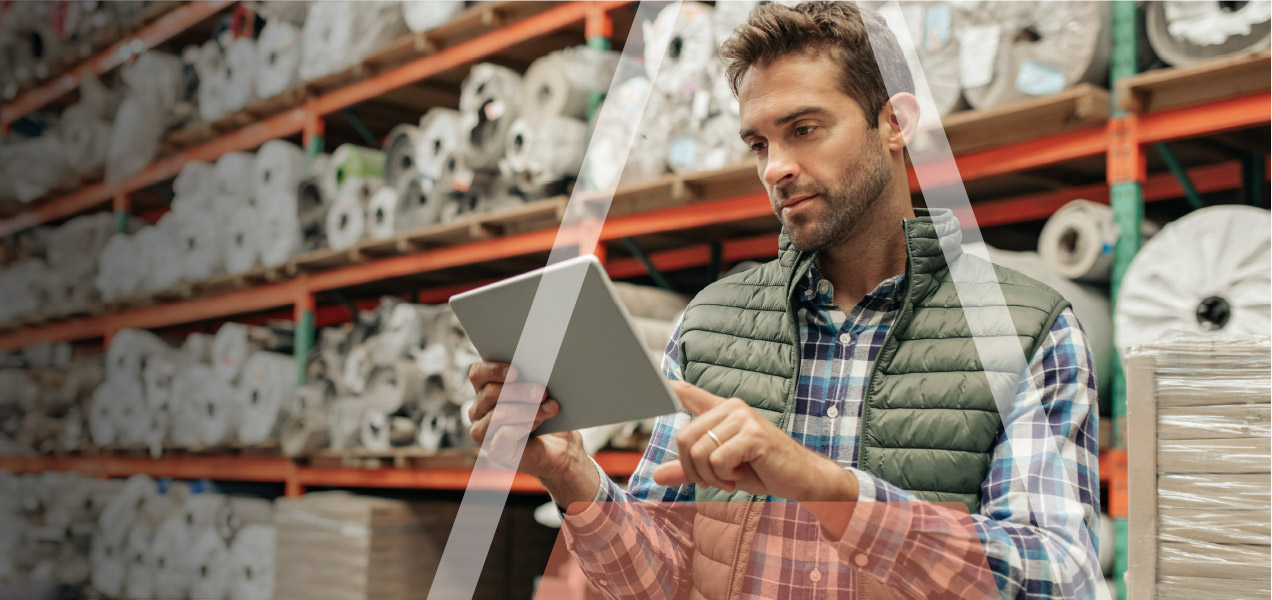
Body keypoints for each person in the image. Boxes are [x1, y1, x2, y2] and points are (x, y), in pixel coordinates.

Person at [466, 2, 1101, 598]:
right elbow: (661, 577)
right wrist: (570, 472)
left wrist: (832, 492)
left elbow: (1061, 576)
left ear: (895, 123)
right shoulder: (710, 324)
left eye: (803, 129)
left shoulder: (1025, 330)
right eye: (760, 144)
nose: (775, 168)